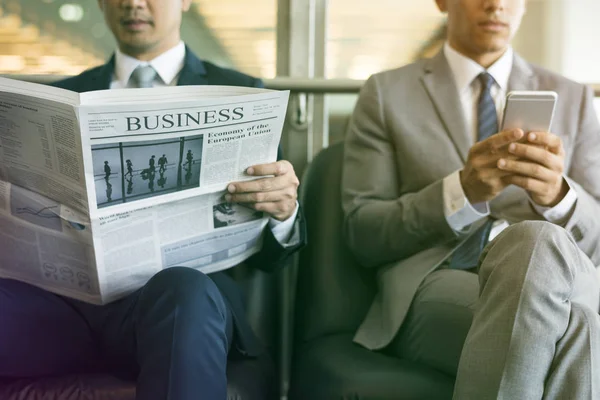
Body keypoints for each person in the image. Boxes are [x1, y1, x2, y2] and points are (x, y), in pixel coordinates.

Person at [0, 1, 306, 399]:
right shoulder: (55, 98)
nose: (132, 3)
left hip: (173, 310)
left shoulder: (242, 94)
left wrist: (283, 213)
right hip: (62, 314)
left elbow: (271, 258)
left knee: (184, 291)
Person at [342, 0, 600, 398]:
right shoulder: (386, 93)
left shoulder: (574, 97)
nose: (496, 4)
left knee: (536, 241)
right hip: (442, 277)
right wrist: (461, 192)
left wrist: (559, 197)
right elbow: (363, 233)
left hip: (561, 278)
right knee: (579, 328)